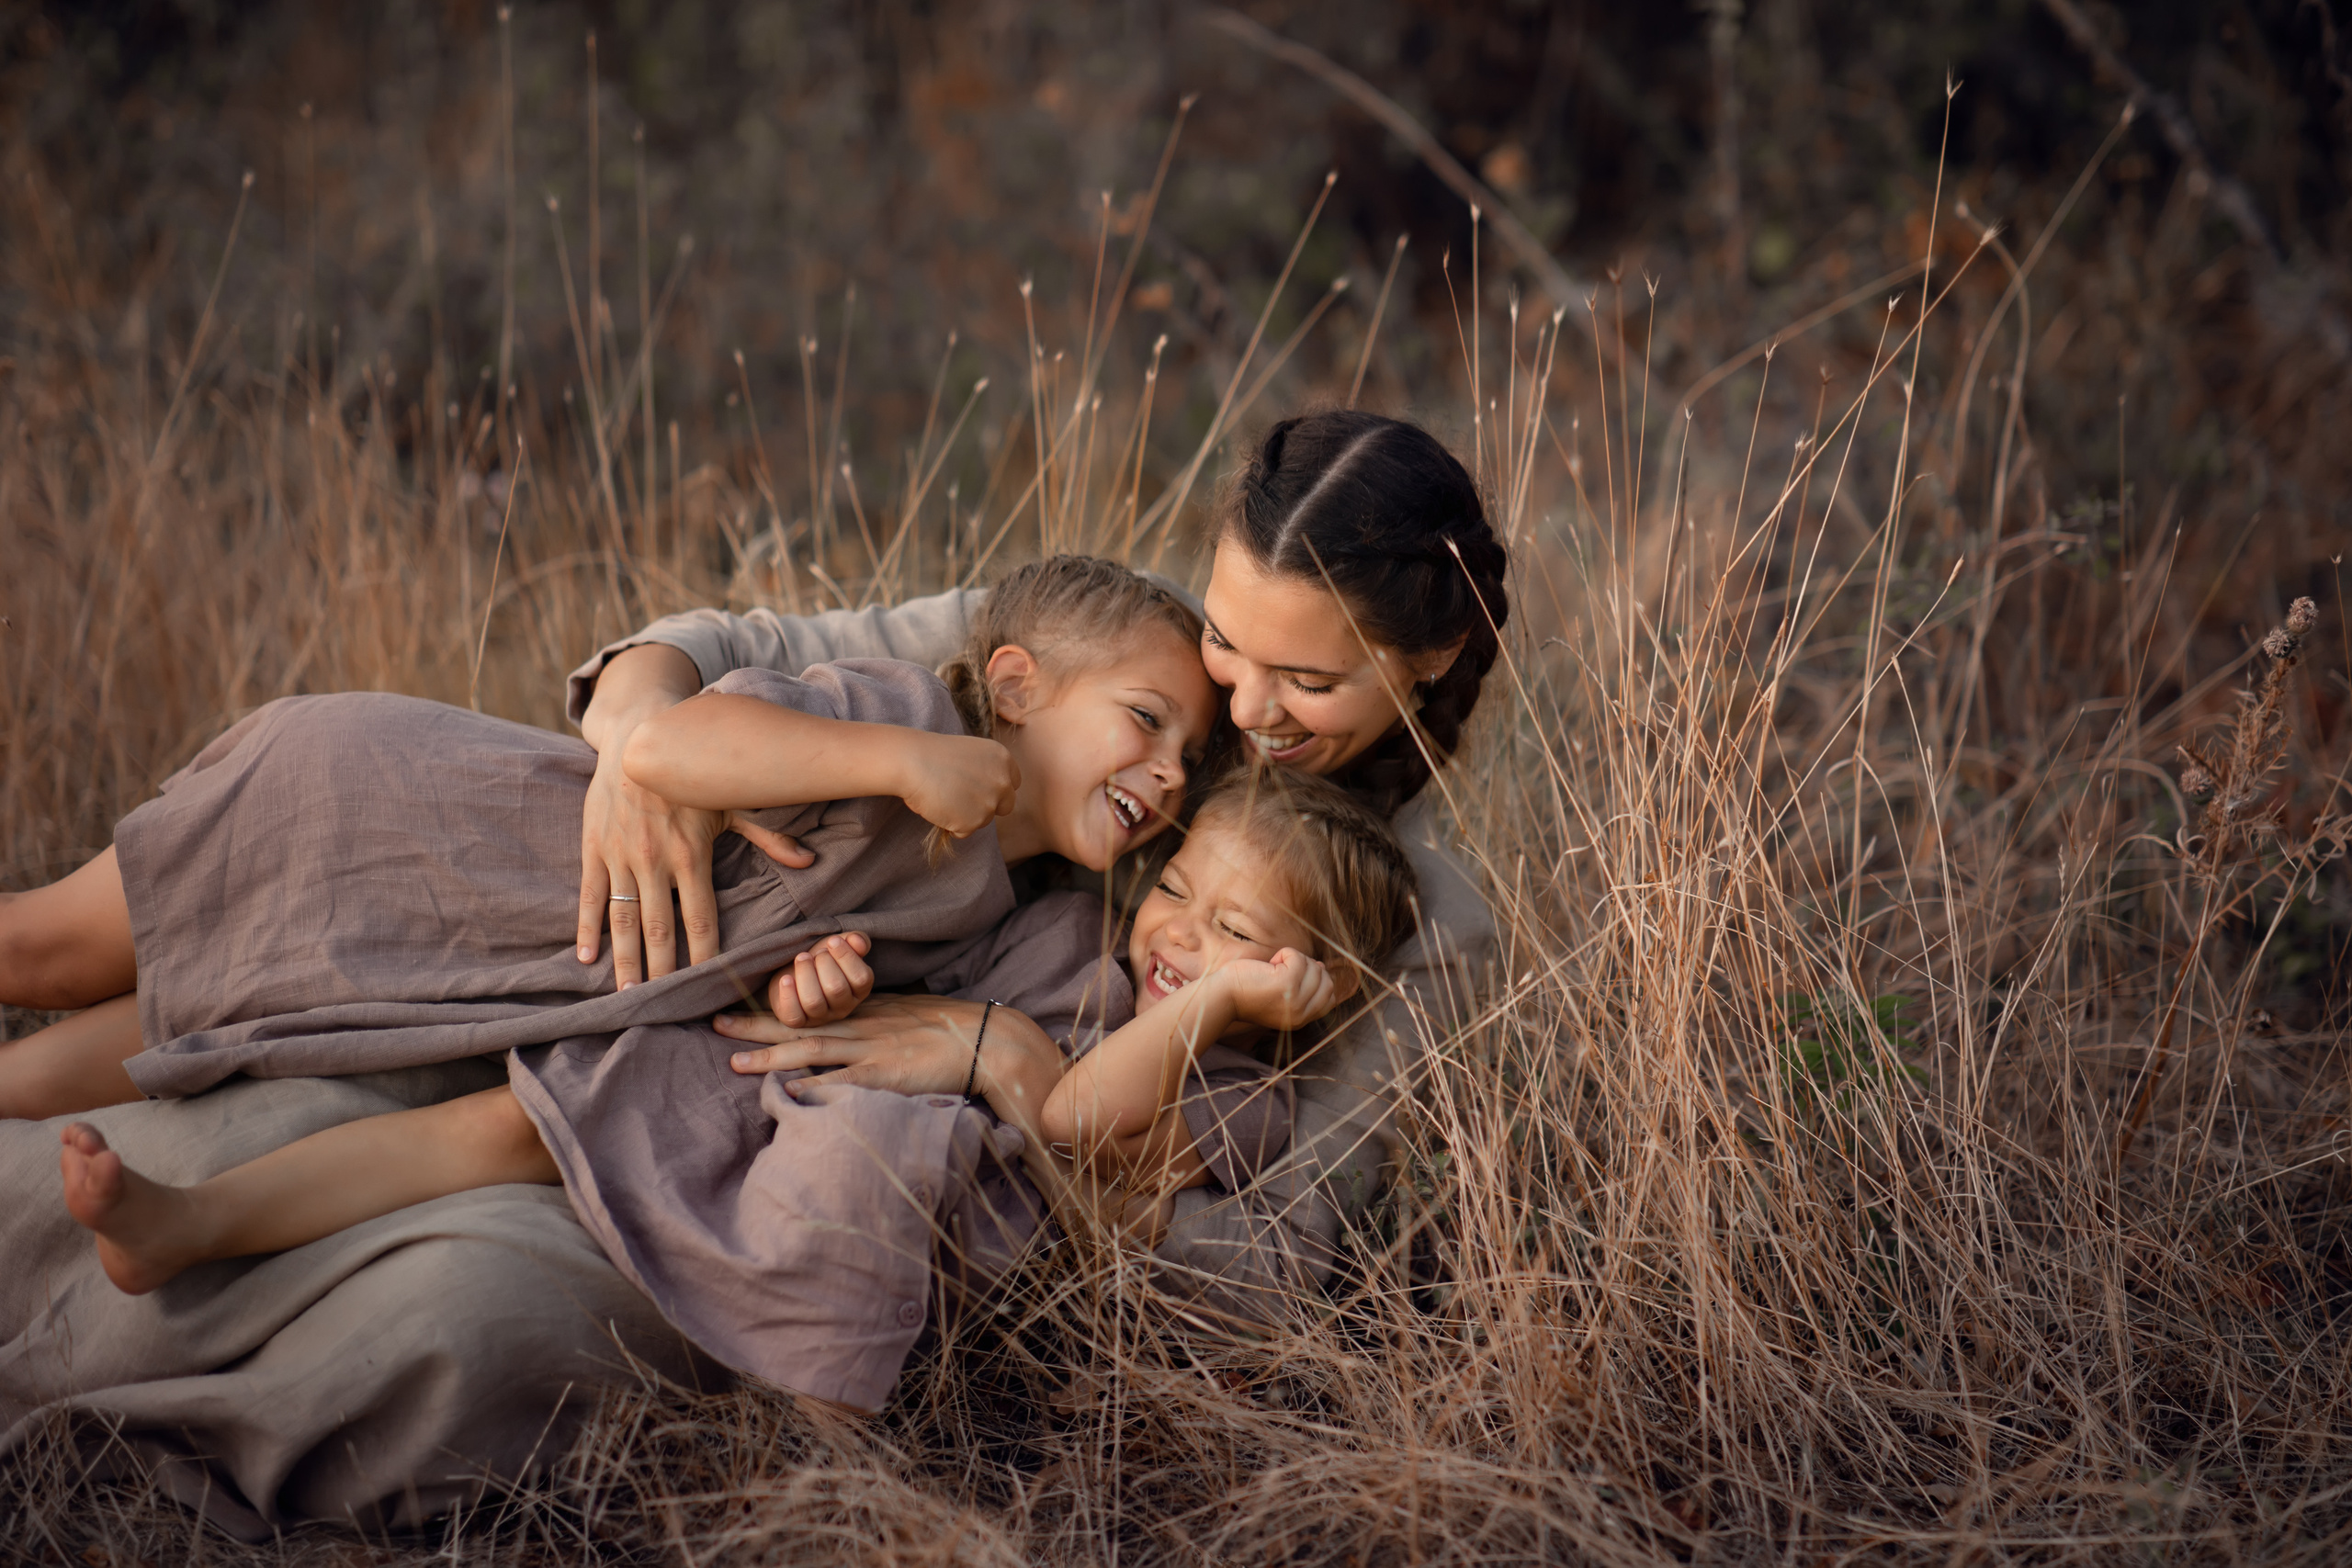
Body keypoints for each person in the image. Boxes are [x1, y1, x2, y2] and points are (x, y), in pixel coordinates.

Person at [0, 556, 1213, 1507]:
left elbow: (777, 957)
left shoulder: (985, 904)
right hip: (416, 829)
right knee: (37, 950)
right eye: (1146, 718)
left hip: (487, 968)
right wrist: (904, 757)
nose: (1165, 768)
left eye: (1190, 753)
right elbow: (662, 742)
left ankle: (166, 1217)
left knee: (159, 1030)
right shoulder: (896, 719)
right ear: (1012, 685)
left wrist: (819, 996)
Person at [55, 770, 1416, 1416]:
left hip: (863, 1188)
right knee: (510, 1119)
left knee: (824, 1215)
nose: (1179, 933)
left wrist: (1229, 1007)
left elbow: (1073, 1114)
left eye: (1240, 933)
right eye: (1177, 890)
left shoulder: (1241, 1093)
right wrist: (820, 992)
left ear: (1316, 985)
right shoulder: (1070, 938)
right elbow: (911, 988)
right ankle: (196, 1217)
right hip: (779, 1083)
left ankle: (812, 1456)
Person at [569, 409, 1510, 1320]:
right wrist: (633, 750)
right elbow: (720, 647)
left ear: (1432, 657)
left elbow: (1261, 1268)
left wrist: (1008, 1064)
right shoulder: (1142, 656)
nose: (1249, 710)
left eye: (1308, 683)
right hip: (731, 1011)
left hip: (915, 1196)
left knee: (521, 1307)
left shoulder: (1431, 923)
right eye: (1229, 639)